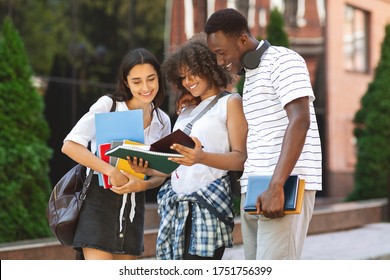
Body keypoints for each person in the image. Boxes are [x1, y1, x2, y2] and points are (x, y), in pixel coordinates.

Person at [202, 8, 322, 260]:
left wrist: (276, 185)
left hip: (284, 186)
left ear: (243, 40)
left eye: (221, 53)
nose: (220, 61)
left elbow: (300, 121)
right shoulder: (252, 76)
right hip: (255, 188)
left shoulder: (283, 60)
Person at [131, 35, 247, 260]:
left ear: (210, 67)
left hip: (207, 206)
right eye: (183, 76)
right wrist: (149, 169)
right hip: (176, 206)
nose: (188, 81)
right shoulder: (185, 111)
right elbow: (177, 165)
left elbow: (240, 158)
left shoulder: (230, 103)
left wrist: (201, 157)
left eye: (193, 73)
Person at [61, 48, 171, 260]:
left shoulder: (162, 121)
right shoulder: (109, 106)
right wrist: (109, 170)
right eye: (137, 81)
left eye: (151, 79)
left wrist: (145, 183)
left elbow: (162, 172)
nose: (146, 87)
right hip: (98, 204)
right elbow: (70, 145)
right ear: (126, 82)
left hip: (133, 209)